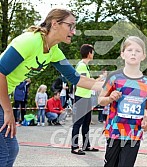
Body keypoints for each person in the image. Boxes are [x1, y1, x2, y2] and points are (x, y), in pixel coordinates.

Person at [0, 8, 102, 166]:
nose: (73, 32)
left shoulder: (53, 51)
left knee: (9, 150)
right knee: (6, 151)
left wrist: (108, 86)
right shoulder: (30, 41)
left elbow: (75, 78)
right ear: (55, 24)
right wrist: (8, 111)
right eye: (70, 26)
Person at [98, 36, 147, 167]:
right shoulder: (114, 77)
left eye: (138, 50)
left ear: (143, 56)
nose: (133, 53)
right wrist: (110, 97)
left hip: (134, 133)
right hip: (114, 131)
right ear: (122, 54)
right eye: (129, 50)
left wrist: (146, 120)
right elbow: (100, 100)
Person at [71, 44, 99, 155]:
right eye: (92, 52)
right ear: (89, 53)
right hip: (81, 96)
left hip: (87, 97)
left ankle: (86, 145)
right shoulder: (81, 66)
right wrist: (96, 80)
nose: (93, 54)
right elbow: (83, 82)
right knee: (78, 123)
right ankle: (74, 147)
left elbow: (87, 81)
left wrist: (94, 80)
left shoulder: (85, 66)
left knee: (86, 123)